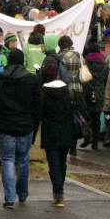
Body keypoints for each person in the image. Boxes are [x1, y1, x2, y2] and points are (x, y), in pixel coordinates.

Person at [0, 49, 43, 209]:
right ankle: (22, 193)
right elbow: (39, 106)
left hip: (5, 125)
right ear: (23, 61)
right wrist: (34, 125)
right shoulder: (32, 80)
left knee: (7, 160)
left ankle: (9, 197)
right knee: (23, 160)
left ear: (8, 61)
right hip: (26, 125)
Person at [39, 63, 76, 207]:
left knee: (53, 163)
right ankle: (60, 190)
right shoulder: (67, 90)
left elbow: (39, 113)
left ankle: (58, 192)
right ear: (57, 74)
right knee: (62, 162)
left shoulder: (43, 92)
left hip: (50, 131)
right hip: (67, 130)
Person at [83, 44, 110, 150]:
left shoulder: (85, 63)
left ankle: (86, 137)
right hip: (100, 93)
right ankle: (95, 141)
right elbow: (106, 80)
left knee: (85, 116)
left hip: (87, 92)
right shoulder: (105, 64)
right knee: (96, 118)